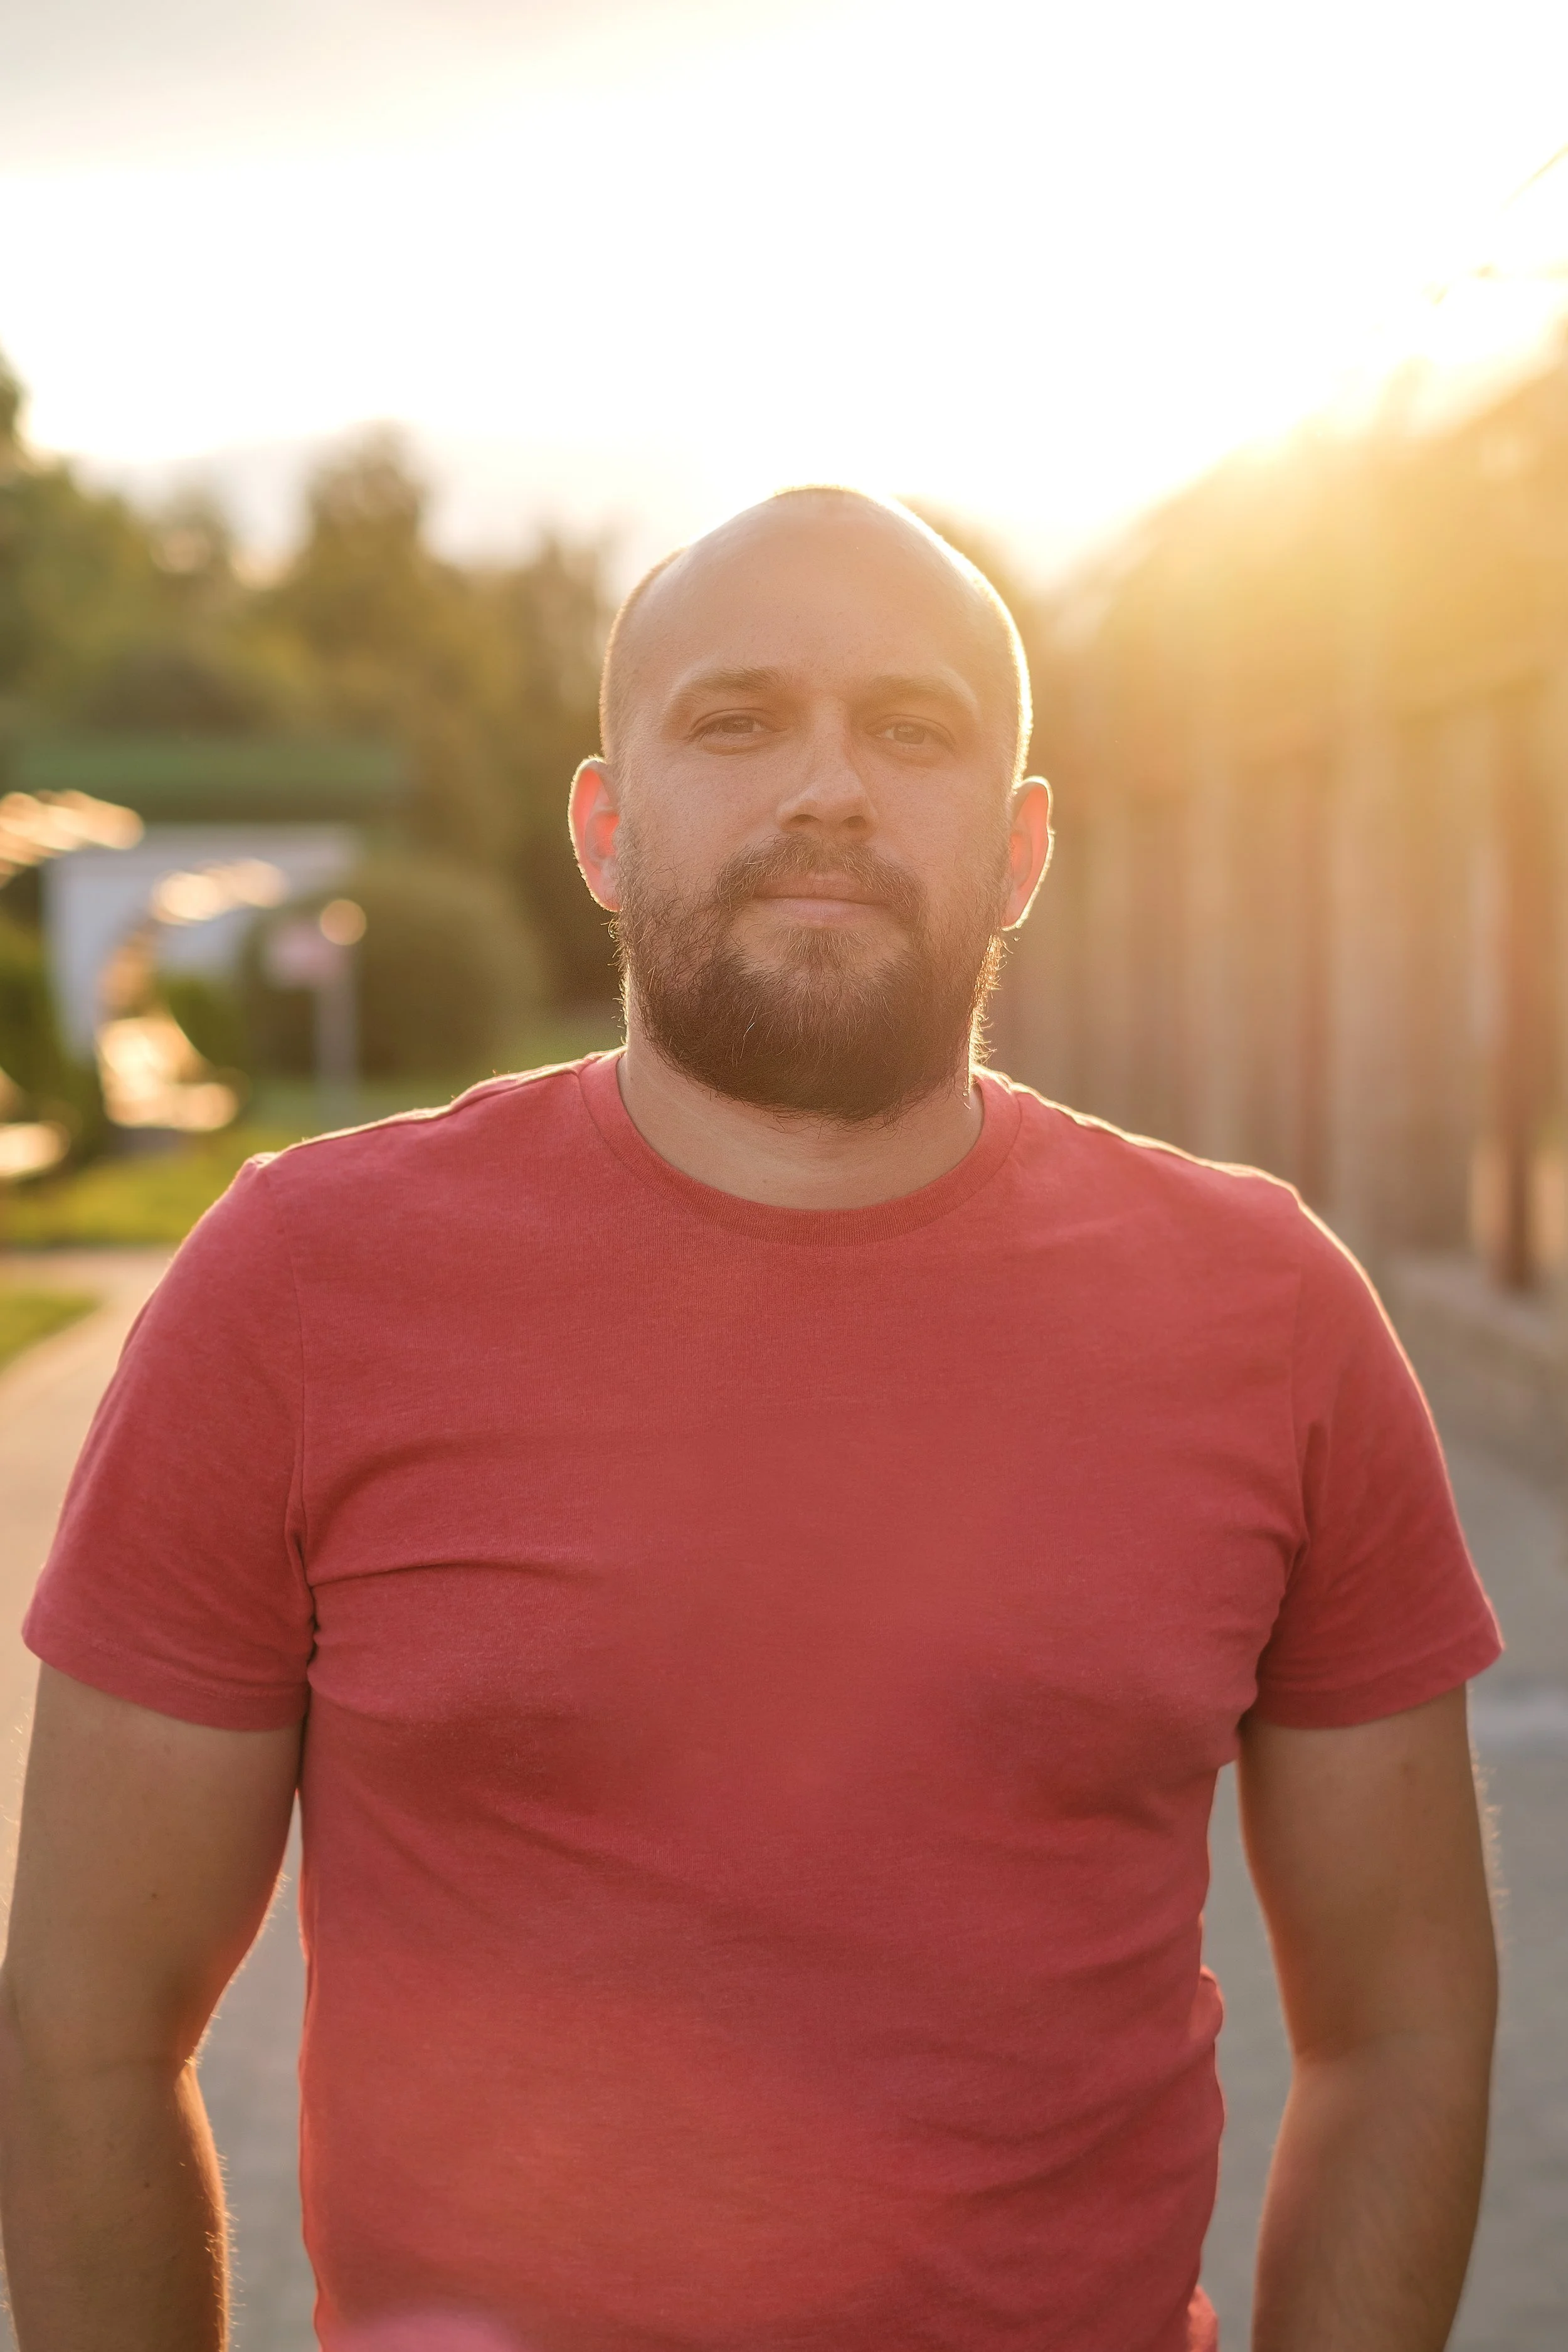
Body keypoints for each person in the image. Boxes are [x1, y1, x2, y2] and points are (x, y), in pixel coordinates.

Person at [1, 487, 1500, 2352]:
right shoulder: (301, 1283)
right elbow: (85, 2022)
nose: (829, 789)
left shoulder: (1269, 1312)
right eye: (735, 721)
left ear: (1021, 848)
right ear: (603, 828)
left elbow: (1403, 2024)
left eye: (912, 729)